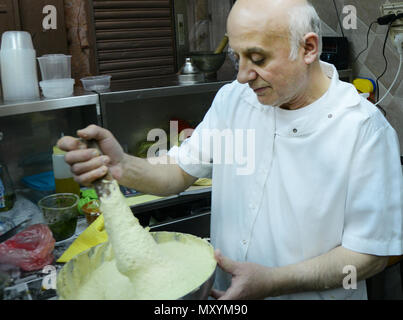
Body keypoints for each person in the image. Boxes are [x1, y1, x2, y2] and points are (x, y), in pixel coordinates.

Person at [58, 0, 403, 300]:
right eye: (236, 56)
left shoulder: (363, 131)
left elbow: (369, 255)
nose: (241, 76)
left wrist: (270, 282)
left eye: (257, 58)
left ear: (308, 48)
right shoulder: (233, 100)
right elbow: (179, 172)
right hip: (226, 294)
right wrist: (121, 165)